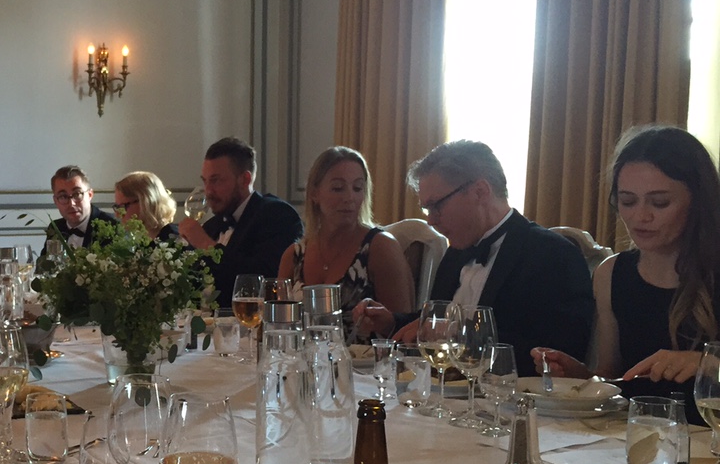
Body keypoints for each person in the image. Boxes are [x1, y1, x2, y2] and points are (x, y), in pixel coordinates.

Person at [353, 140, 593, 374]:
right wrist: (391, 322)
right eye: (427, 209)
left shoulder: (553, 254)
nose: (431, 220)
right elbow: (435, 321)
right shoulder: (457, 251)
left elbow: (562, 352)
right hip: (443, 391)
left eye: (436, 206)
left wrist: (457, 334)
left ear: (480, 191)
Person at [532, 125, 720, 392]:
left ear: (698, 202)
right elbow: (615, 379)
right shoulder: (611, 274)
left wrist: (709, 364)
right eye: (628, 201)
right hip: (636, 420)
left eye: (660, 203)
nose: (640, 217)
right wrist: (579, 376)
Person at [277, 146, 413, 325]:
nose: (349, 197)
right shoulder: (293, 257)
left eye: (357, 188)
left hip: (364, 345)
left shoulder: (380, 247)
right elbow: (278, 325)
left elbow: (401, 326)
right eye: (338, 188)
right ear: (314, 194)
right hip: (299, 345)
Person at [177, 137, 304, 307]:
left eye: (216, 180)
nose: (208, 191)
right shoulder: (211, 226)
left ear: (245, 179)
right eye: (205, 181)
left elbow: (265, 280)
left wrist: (206, 245)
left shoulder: (277, 215)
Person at [48, 164, 118, 248]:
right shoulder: (55, 228)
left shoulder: (112, 226)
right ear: (55, 201)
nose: (72, 203)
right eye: (63, 196)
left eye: (77, 194)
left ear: (90, 195)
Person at [114, 171, 180, 243]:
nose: (117, 215)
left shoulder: (173, 241)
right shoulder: (136, 241)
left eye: (122, 207)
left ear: (146, 203)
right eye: (117, 207)